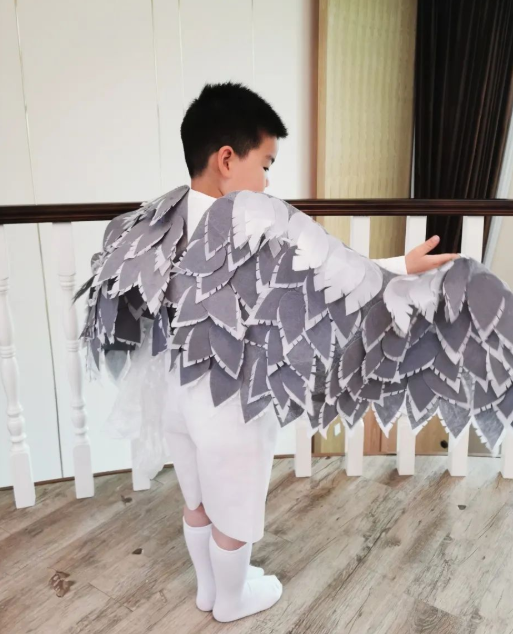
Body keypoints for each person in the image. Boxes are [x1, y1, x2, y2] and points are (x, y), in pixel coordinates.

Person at [161, 83, 458, 622]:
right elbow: (333, 277)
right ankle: (231, 600)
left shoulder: (167, 219)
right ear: (227, 160)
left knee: (197, 497)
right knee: (235, 507)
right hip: (234, 395)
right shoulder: (254, 225)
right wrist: (400, 267)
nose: (268, 181)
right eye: (265, 164)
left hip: (175, 391)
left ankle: (208, 590)